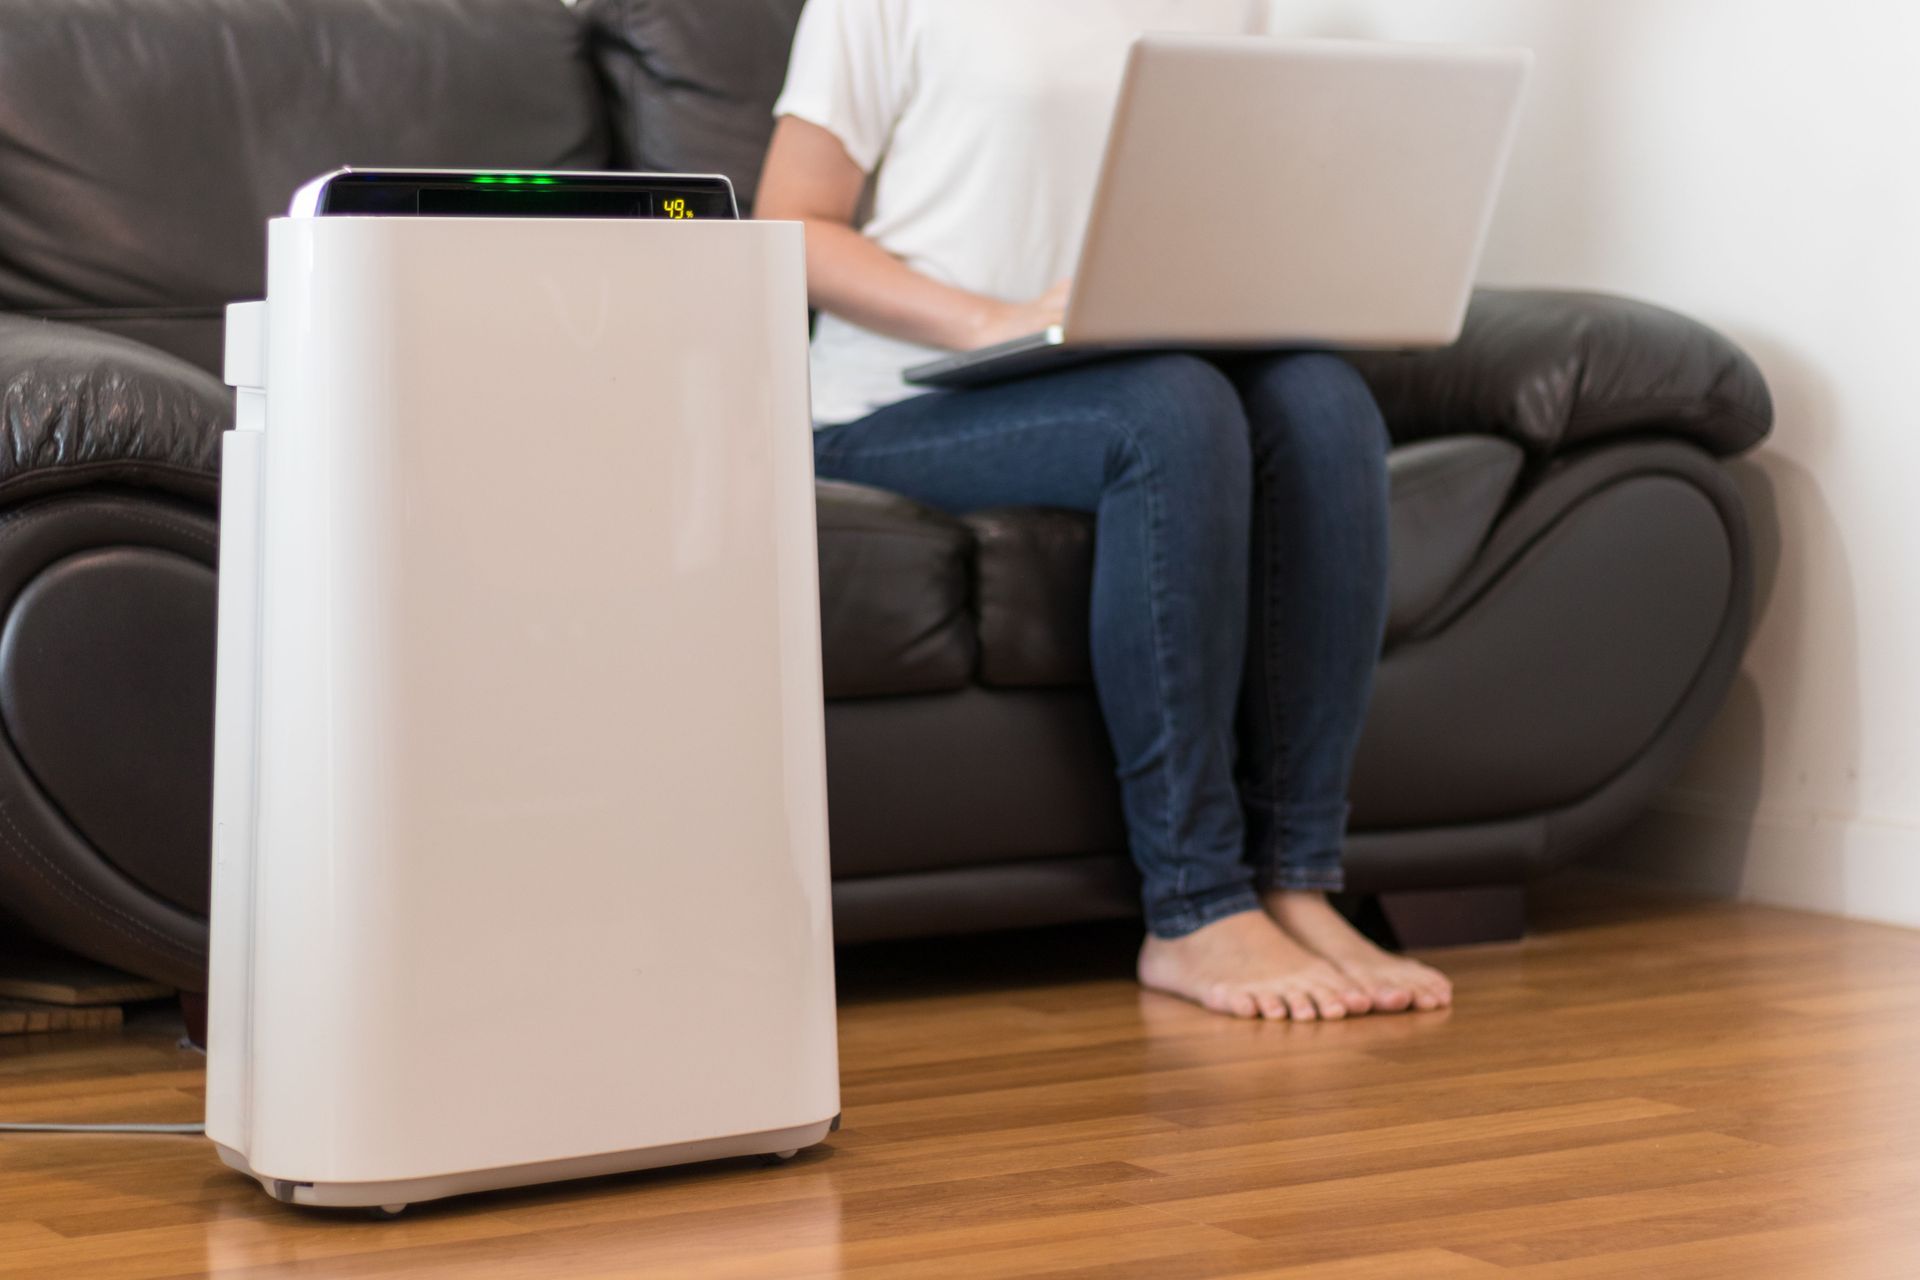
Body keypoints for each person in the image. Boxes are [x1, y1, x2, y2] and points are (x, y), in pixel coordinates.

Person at [758, 0, 1453, 1020]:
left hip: (1113, 366)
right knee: (1167, 411)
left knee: (1323, 399)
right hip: (896, 399)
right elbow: (791, 220)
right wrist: (998, 321)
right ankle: (1194, 905)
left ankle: (1295, 881)